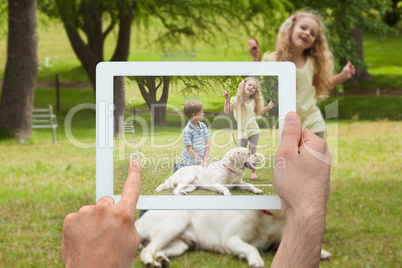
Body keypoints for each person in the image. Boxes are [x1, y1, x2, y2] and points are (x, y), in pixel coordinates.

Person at [62, 112, 331, 267]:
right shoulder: (192, 134)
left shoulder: (207, 135)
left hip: (195, 222)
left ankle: (154, 253)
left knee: (178, 238)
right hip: (188, 209)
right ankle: (149, 251)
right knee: (179, 214)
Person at [249, 10, 356, 138]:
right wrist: (255, 57)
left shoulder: (312, 63)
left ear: (315, 41)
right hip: (288, 125)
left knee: (315, 158)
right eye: (303, 28)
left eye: (312, 33)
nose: (307, 33)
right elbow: (254, 80)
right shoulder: (273, 60)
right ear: (291, 28)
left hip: (313, 124)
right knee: (291, 157)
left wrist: (343, 75)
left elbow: (322, 85)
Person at [223, 77, 274, 180]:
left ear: (255, 91)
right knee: (240, 153)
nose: (251, 87)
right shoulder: (235, 99)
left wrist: (268, 108)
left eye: (254, 87)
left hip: (253, 129)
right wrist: (227, 100)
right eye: (250, 85)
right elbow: (227, 111)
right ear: (244, 85)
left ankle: (253, 171)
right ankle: (237, 172)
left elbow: (258, 112)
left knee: (252, 151)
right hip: (242, 131)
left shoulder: (253, 101)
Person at [179, 101, 211, 169]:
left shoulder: (203, 126)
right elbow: (189, 149)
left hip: (201, 160)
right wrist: (201, 161)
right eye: (201, 112)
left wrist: (206, 157)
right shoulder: (187, 131)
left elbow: (207, 142)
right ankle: (179, 167)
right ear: (194, 115)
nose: (203, 114)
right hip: (190, 162)